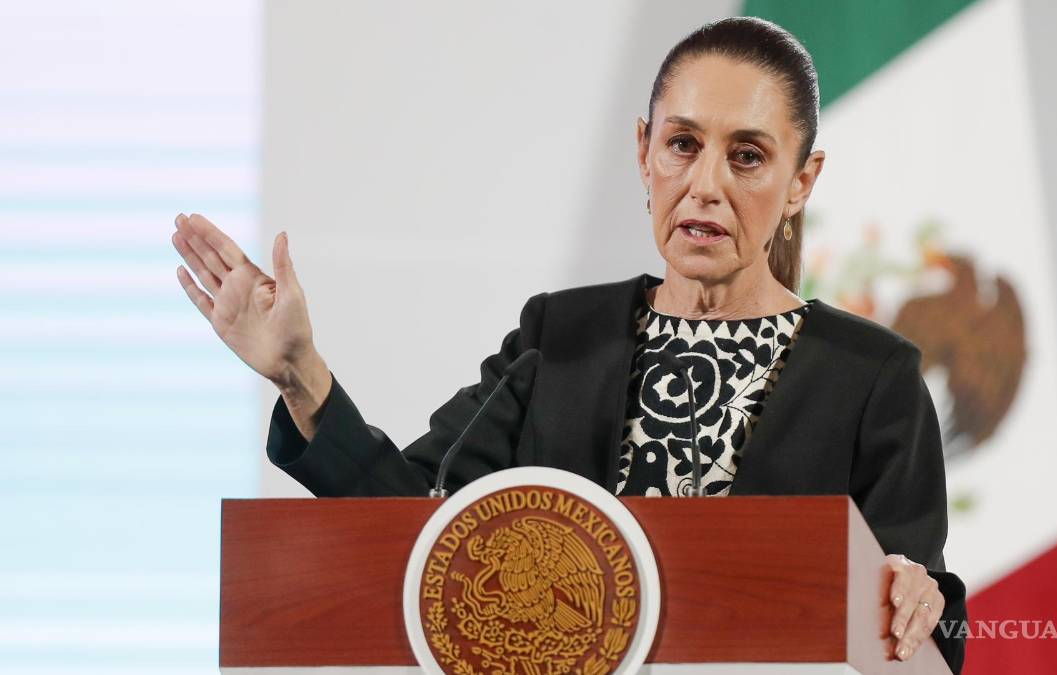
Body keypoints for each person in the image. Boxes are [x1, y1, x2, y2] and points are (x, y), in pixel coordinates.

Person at [171, 17, 966, 672]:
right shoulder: (559, 338)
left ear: (802, 181)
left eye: (748, 156)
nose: (706, 184)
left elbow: (924, 617)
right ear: (644, 150)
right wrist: (301, 375)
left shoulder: (872, 378)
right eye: (683, 144)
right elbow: (416, 532)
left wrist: (919, 598)